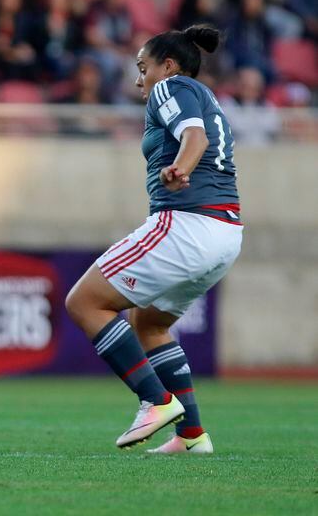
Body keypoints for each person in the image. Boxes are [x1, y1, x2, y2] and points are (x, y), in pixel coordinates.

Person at [65, 25, 242, 453]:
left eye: (142, 68)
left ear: (168, 65)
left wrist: (180, 168)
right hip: (225, 232)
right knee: (150, 323)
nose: (138, 80)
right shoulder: (204, 96)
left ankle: (155, 400)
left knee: (85, 302)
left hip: (187, 222)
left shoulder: (172, 86)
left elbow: (193, 138)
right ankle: (191, 435)